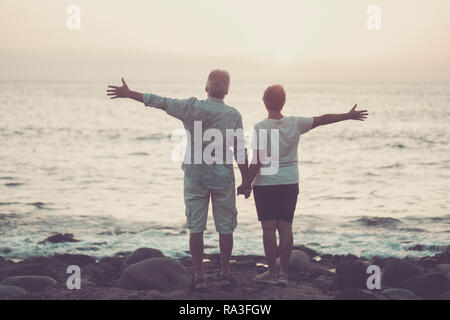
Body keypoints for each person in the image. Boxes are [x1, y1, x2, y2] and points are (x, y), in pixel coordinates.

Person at [107, 70, 249, 289]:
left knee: (196, 227)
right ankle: (225, 272)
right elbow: (240, 149)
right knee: (226, 227)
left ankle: (199, 275)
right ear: (227, 90)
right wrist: (247, 181)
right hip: (223, 179)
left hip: (195, 177)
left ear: (206, 87)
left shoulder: (191, 107)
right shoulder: (233, 115)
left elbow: (160, 102)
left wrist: (129, 93)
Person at [237, 84, 368, 285]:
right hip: (289, 181)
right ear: (284, 102)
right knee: (286, 227)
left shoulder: (260, 127)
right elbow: (323, 119)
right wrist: (347, 116)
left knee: (269, 229)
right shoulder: (295, 123)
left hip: (266, 184)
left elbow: (257, 161)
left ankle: (272, 274)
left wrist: (246, 184)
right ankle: (284, 275)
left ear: (264, 101)